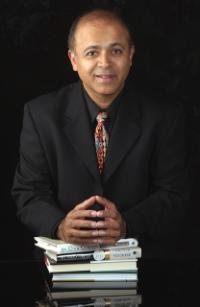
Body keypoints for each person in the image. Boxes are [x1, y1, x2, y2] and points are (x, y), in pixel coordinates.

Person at [12, 8, 188, 255]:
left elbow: (175, 194)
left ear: (130, 56)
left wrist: (127, 224)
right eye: (92, 52)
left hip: (141, 262)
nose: (105, 63)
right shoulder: (40, 114)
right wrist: (60, 226)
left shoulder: (163, 118)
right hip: (63, 261)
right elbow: (28, 193)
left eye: (116, 51)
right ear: (74, 60)